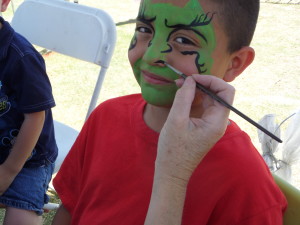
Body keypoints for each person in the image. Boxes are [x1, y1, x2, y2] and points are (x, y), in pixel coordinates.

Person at [52, 0, 287, 224]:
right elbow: (70, 208)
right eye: (145, 28)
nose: (152, 55)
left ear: (235, 63)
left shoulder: (246, 183)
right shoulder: (105, 117)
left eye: (184, 40)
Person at [0, 0, 58, 224]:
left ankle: (29, 200)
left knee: (21, 219)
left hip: (29, 158)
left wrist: (8, 171)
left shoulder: (22, 57)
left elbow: (36, 118)